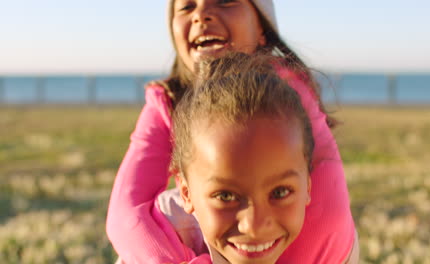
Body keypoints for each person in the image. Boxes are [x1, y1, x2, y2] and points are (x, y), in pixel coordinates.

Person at [106, 0, 358, 263]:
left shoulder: (286, 96)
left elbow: (329, 218)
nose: (201, 16)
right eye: (187, 7)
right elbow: (126, 215)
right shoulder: (167, 100)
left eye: (225, 2)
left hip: (305, 251)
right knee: (166, 213)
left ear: (262, 27)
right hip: (226, 240)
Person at [161, 53, 314, 264]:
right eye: (225, 196)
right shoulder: (162, 232)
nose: (253, 226)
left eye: (280, 192)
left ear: (308, 186)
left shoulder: (334, 246)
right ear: (187, 194)